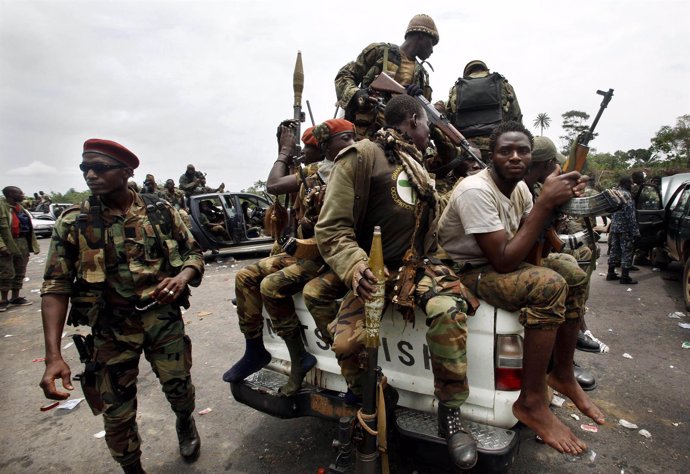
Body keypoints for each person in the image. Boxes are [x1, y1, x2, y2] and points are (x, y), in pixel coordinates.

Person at [315, 95, 479, 469]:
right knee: (344, 343)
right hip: (375, 271)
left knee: (447, 311)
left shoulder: (415, 161)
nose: (428, 134)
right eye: (426, 126)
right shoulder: (362, 156)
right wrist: (356, 266)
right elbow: (332, 228)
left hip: (419, 269)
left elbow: (433, 198)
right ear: (412, 121)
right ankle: (378, 399)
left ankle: (450, 413)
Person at [438, 121, 605, 456]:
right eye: (505, 151)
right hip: (465, 271)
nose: (515, 157)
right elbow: (501, 261)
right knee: (548, 285)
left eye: (522, 151)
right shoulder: (476, 190)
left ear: (531, 158)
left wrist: (553, 207)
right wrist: (545, 204)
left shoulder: (521, 189)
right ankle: (530, 402)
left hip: (497, 262)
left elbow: (530, 246)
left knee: (570, 271)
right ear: (491, 157)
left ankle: (562, 373)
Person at [38, 139, 204, 473]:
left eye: (100, 168)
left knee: (179, 386)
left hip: (162, 320)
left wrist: (181, 278)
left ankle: (185, 421)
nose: (90, 175)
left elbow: (194, 254)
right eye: (85, 168)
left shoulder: (160, 210)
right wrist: (54, 356)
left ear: (127, 172)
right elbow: (55, 286)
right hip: (110, 328)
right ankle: (132, 467)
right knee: (116, 411)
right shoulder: (74, 222)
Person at [256, 119, 355, 395]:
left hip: (345, 255)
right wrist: (284, 155)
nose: (351, 145)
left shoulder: (360, 165)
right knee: (253, 279)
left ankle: (355, 375)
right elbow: (274, 185)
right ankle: (289, 356)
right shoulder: (313, 172)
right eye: (344, 140)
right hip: (321, 251)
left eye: (352, 138)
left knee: (307, 291)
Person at [222, 122, 323, 386]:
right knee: (245, 276)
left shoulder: (325, 170)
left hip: (325, 256)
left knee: (272, 285)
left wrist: (285, 153)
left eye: (308, 149)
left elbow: (273, 184)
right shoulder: (310, 174)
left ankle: (298, 357)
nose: (303, 155)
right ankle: (256, 350)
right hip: (305, 251)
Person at [335, 14, 438, 140]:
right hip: (364, 133)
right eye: (431, 43)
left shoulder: (422, 75)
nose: (432, 50)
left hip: (397, 140)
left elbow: (422, 118)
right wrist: (357, 94)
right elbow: (344, 75)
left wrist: (416, 102)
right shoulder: (380, 52)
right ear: (421, 36)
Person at [444, 60, 522, 161]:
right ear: (485, 70)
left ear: (466, 73)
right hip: (498, 145)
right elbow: (516, 116)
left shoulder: (456, 88)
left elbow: (449, 119)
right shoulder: (504, 84)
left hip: (468, 148)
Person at [0, 186, 40, 312]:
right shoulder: (2, 207)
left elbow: (27, 226)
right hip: (8, 242)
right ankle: (3, 299)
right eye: (20, 193)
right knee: (6, 272)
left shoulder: (19, 208)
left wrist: (33, 245)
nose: (23, 195)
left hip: (22, 242)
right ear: (11, 194)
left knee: (20, 270)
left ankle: (15, 297)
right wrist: (2, 246)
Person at [607, 176, 640, 284]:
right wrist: (635, 231)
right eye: (631, 183)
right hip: (625, 229)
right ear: (626, 184)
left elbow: (609, 211)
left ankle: (610, 273)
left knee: (614, 250)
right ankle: (624, 277)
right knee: (627, 251)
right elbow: (630, 215)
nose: (632, 186)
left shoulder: (614, 194)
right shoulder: (626, 195)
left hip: (615, 227)